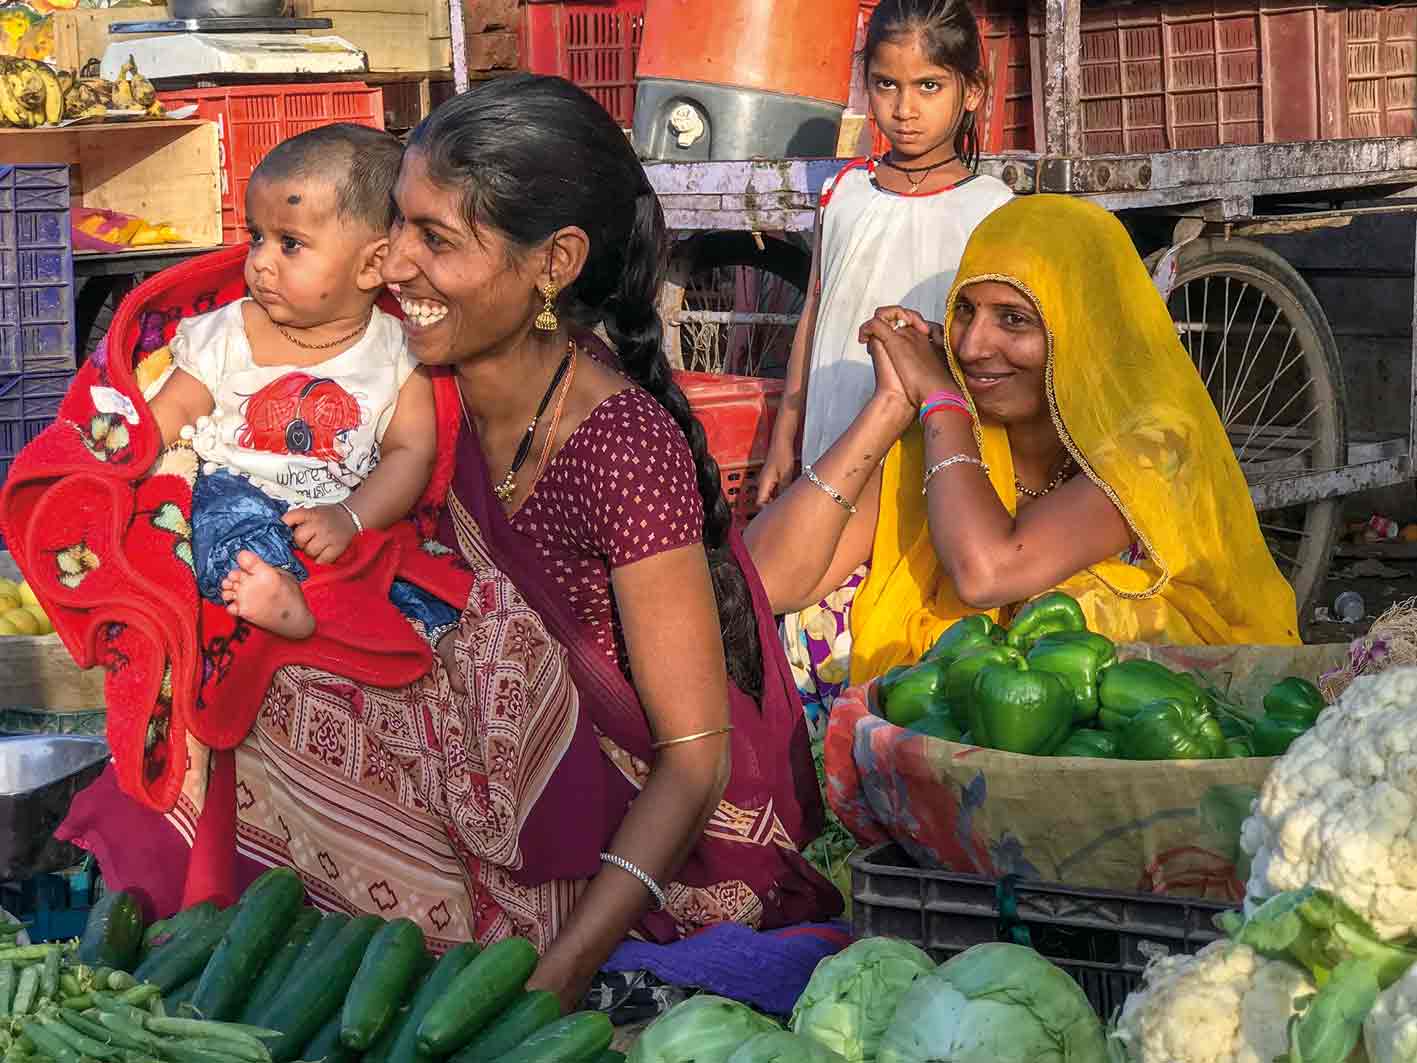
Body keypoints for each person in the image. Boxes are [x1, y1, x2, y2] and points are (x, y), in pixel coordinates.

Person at [51, 75, 839, 1016]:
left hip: (611, 831)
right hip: (467, 776)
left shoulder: (620, 447)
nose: (392, 265)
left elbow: (692, 762)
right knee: (223, 644)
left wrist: (557, 976)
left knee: (296, 673)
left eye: (435, 238)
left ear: (553, 262)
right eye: (397, 226)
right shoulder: (415, 382)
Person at [746, 194, 1301, 701]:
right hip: (976, 701)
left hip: (1125, 720)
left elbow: (987, 575)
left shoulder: (1156, 444)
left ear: (1083, 328)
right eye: (966, 310)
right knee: (825, 610)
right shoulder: (951, 426)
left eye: (1014, 320)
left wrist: (941, 400)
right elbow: (765, 582)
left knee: (1072, 616)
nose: (973, 346)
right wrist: (892, 404)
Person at [142, 124, 459, 644]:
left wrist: (351, 517)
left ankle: (410, 631)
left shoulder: (399, 351)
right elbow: (172, 411)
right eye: (257, 237)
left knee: (404, 575)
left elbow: (411, 454)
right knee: (216, 520)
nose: (260, 262)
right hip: (236, 489)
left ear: (372, 264)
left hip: (335, 517)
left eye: (289, 244)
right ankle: (273, 589)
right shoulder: (229, 331)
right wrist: (124, 460)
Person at [756, 0, 1014, 507]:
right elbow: (814, 312)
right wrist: (784, 439)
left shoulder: (991, 208)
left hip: (933, 447)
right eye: (886, 84)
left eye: (929, 86)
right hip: (833, 433)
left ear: (972, 91)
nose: (904, 109)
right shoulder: (843, 191)